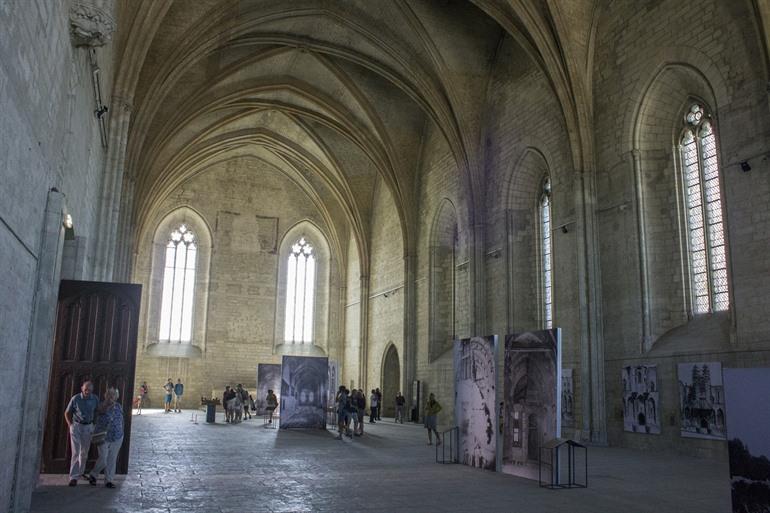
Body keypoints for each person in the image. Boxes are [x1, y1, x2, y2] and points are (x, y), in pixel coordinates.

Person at [87, 387, 124, 488]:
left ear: (116, 397)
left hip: (117, 436)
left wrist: (121, 432)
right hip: (103, 436)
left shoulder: (119, 406)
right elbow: (100, 411)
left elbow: (121, 420)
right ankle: (93, 474)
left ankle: (109, 480)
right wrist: (108, 405)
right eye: (109, 394)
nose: (111, 397)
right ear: (105, 395)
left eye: (113, 395)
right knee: (103, 458)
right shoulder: (101, 405)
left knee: (112, 459)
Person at [64, 380, 99, 486]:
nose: (87, 392)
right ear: (82, 388)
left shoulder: (95, 399)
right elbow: (67, 412)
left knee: (84, 452)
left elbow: (97, 411)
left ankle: (80, 472)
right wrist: (70, 425)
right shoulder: (76, 398)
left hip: (88, 426)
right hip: (77, 426)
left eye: (90, 390)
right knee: (76, 451)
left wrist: (95, 424)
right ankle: (73, 477)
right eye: (86, 389)